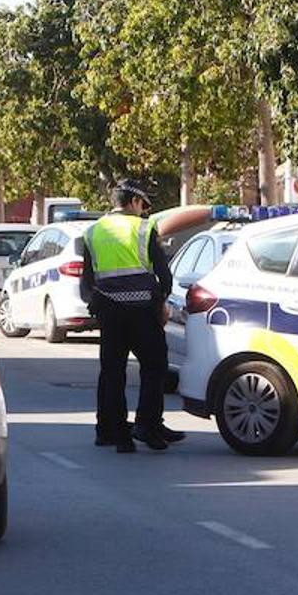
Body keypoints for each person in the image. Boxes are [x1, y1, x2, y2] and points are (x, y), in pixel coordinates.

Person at [79, 179, 184, 453]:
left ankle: (112, 432)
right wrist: (161, 302)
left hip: (110, 312)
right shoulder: (144, 228)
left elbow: (87, 280)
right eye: (143, 205)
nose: (143, 211)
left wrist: (97, 304)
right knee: (155, 366)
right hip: (143, 312)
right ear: (135, 202)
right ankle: (147, 425)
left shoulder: (93, 232)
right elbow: (164, 274)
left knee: (112, 371)